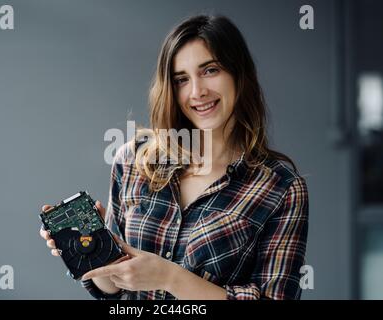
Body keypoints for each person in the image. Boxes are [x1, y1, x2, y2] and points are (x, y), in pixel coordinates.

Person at [40, 14, 309, 300]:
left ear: (239, 75)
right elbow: (115, 292)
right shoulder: (133, 159)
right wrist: (97, 257)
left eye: (210, 70)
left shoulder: (280, 188)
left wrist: (170, 277)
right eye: (181, 79)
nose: (197, 92)